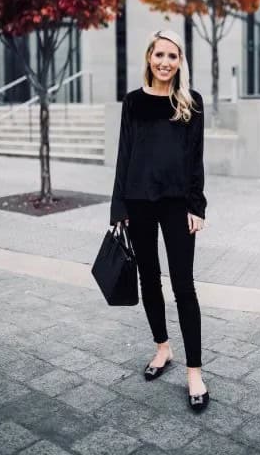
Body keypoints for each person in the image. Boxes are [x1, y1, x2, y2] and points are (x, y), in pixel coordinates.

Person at [110, 29, 209, 412]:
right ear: (149, 57)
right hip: (138, 203)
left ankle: (194, 372)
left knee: (184, 287)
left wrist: (197, 206)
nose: (165, 62)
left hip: (177, 205)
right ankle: (163, 349)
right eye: (159, 55)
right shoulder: (133, 102)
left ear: (180, 61)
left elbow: (195, 158)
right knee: (148, 279)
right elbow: (124, 154)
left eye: (172, 56)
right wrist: (118, 208)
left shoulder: (190, 102)